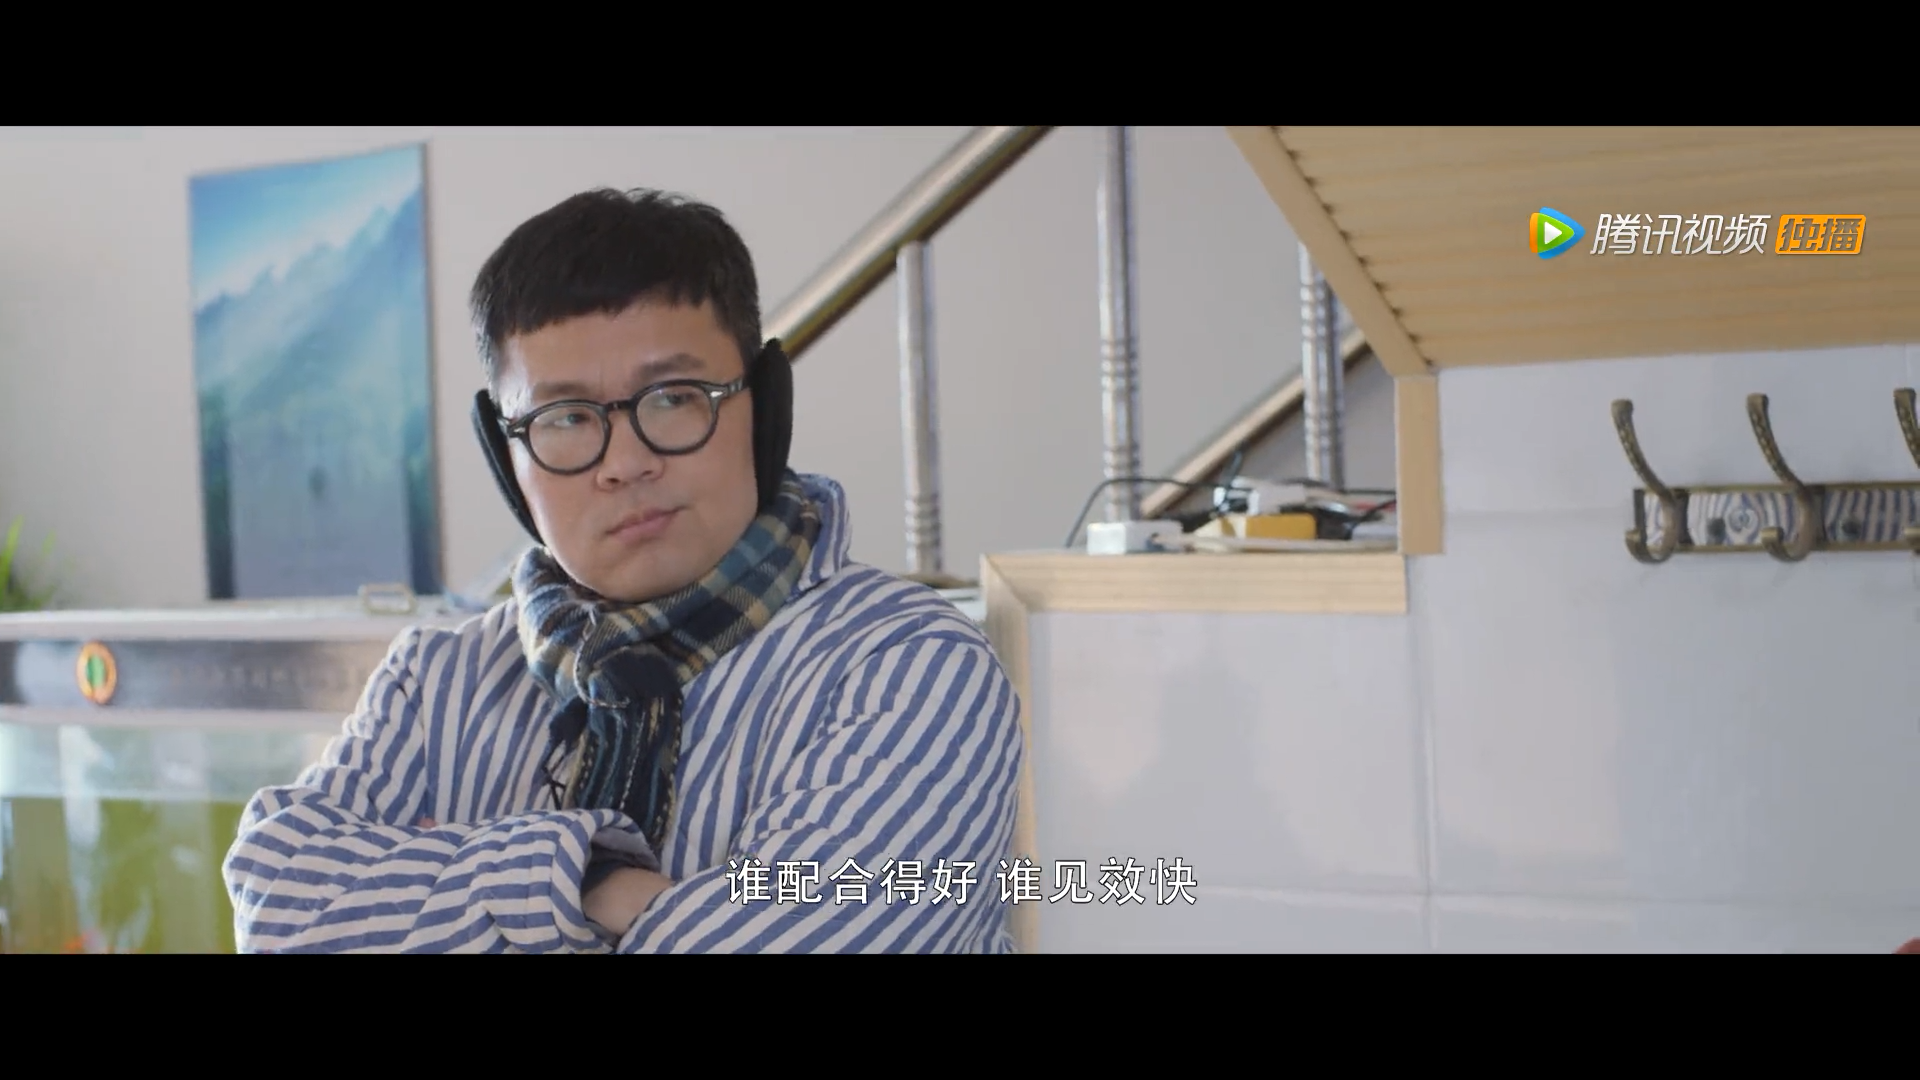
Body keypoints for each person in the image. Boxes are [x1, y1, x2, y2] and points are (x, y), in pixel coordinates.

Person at [221, 187, 1026, 953]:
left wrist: (433, 900)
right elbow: (277, 907)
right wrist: (580, 883)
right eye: (566, 418)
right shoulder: (435, 683)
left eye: (673, 398)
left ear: (765, 406)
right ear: (505, 459)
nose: (625, 463)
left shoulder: (910, 666)